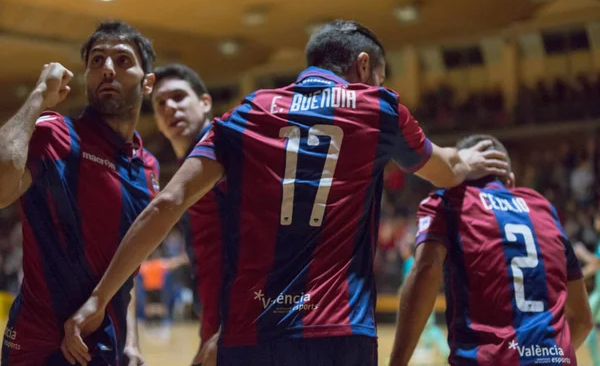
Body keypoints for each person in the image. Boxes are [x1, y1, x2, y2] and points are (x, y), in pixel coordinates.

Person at [62, 20, 508, 366]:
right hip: (341, 332)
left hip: (250, 336)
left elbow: (167, 204)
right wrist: (468, 161)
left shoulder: (247, 112)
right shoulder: (379, 108)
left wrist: (99, 299)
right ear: (364, 66)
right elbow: (446, 171)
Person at [0, 21, 159, 365]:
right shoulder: (56, 134)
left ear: (148, 83)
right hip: (38, 345)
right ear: (86, 76)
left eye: (122, 60)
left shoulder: (150, 168)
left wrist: (131, 342)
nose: (108, 69)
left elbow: (125, 272)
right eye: (97, 60)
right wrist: (40, 94)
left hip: (104, 347)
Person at [390, 134, 593, 366]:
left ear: (458, 172)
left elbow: (426, 270)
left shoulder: (448, 202)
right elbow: (583, 320)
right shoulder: (544, 209)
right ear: (511, 181)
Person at [150, 63, 225, 365]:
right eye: (160, 103)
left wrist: (230, 326)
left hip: (241, 318)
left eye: (179, 97)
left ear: (205, 103)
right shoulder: (188, 165)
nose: (170, 107)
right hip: (213, 312)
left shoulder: (225, 149)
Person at [574, 213, 600, 366]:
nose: (596, 221)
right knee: (589, 330)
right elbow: (595, 266)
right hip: (598, 293)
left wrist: (582, 253)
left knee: (587, 327)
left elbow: (597, 263)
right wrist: (576, 277)